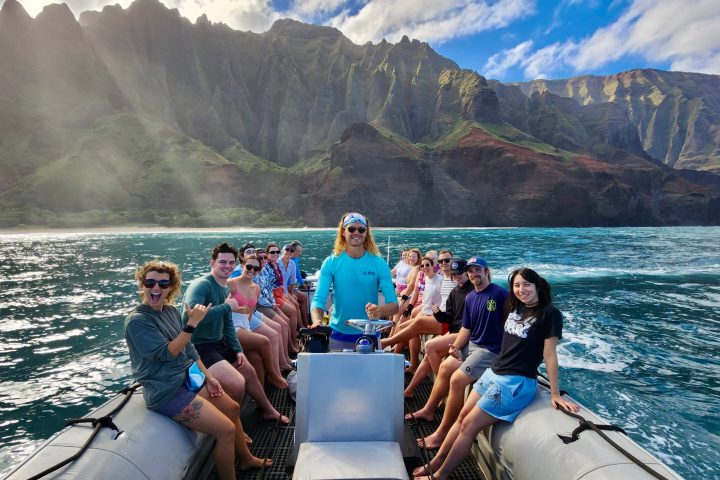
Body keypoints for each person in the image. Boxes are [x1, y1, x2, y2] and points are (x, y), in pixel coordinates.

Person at [413, 268, 579, 479]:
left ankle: (439, 476)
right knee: (461, 417)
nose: (521, 290)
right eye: (517, 285)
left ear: (538, 285)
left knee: (468, 426)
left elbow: (550, 355)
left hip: (514, 382)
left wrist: (554, 393)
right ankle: (434, 463)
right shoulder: (514, 306)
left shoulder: (549, 313)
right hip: (494, 372)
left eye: (527, 284)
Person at [124, 260, 269, 479]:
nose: (156, 288)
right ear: (142, 284)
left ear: (171, 287)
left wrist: (208, 376)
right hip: (166, 391)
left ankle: (246, 459)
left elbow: (189, 348)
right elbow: (167, 353)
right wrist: (192, 324)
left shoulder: (170, 312)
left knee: (232, 408)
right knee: (225, 430)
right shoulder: (138, 321)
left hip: (187, 379)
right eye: (150, 282)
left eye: (163, 284)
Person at [182, 243, 289, 425]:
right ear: (212, 263)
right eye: (222, 262)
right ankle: (233, 425)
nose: (227, 266)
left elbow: (226, 324)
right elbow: (189, 319)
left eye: (231, 262)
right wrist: (226, 307)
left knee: (250, 369)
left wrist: (237, 349)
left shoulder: (224, 289)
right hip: (200, 347)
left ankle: (268, 410)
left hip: (219, 341)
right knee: (238, 383)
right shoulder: (202, 286)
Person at [416, 256, 508, 449]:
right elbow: (466, 328)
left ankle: (442, 434)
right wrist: (456, 347)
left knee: (457, 380)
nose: (474, 274)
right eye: (471, 271)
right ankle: (429, 410)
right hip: (473, 345)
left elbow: (513, 325)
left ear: (486, 271)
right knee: (445, 366)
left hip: (491, 350)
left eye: (478, 270)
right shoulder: (471, 298)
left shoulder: (500, 295)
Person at [310, 212, 399, 350]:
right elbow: (318, 299)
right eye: (351, 229)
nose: (356, 232)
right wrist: (317, 321)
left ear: (366, 233)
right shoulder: (331, 262)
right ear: (343, 232)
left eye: (361, 229)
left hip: (370, 335)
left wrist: (379, 310)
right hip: (338, 335)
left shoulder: (379, 263)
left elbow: (394, 305)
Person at [403, 258, 471, 398]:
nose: (457, 277)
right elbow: (450, 316)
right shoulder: (456, 291)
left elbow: (467, 324)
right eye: (455, 274)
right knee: (428, 356)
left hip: (464, 333)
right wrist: (439, 314)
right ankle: (409, 391)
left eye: (460, 274)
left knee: (430, 346)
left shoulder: (473, 292)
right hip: (455, 330)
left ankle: (441, 390)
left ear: (467, 273)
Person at [227, 254, 289, 389]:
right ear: (242, 265)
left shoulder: (256, 287)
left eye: (256, 268)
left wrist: (248, 330)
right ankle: (273, 375)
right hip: (232, 326)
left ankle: (259, 398)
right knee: (264, 341)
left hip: (244, 325)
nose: (252, 270)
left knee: (257, 360)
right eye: (249, 266)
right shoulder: (230, 283)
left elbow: (250, 312)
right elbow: (223, 308)